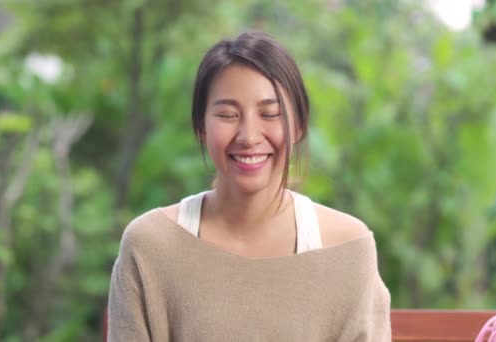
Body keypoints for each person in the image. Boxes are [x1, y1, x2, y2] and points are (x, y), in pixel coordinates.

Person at [107, 31, 391, 341]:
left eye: (270, 114)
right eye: (228, 115)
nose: (249, 135)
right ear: (201, 127)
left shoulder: (347, 247)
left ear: (299, 125)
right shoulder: (149, 245)